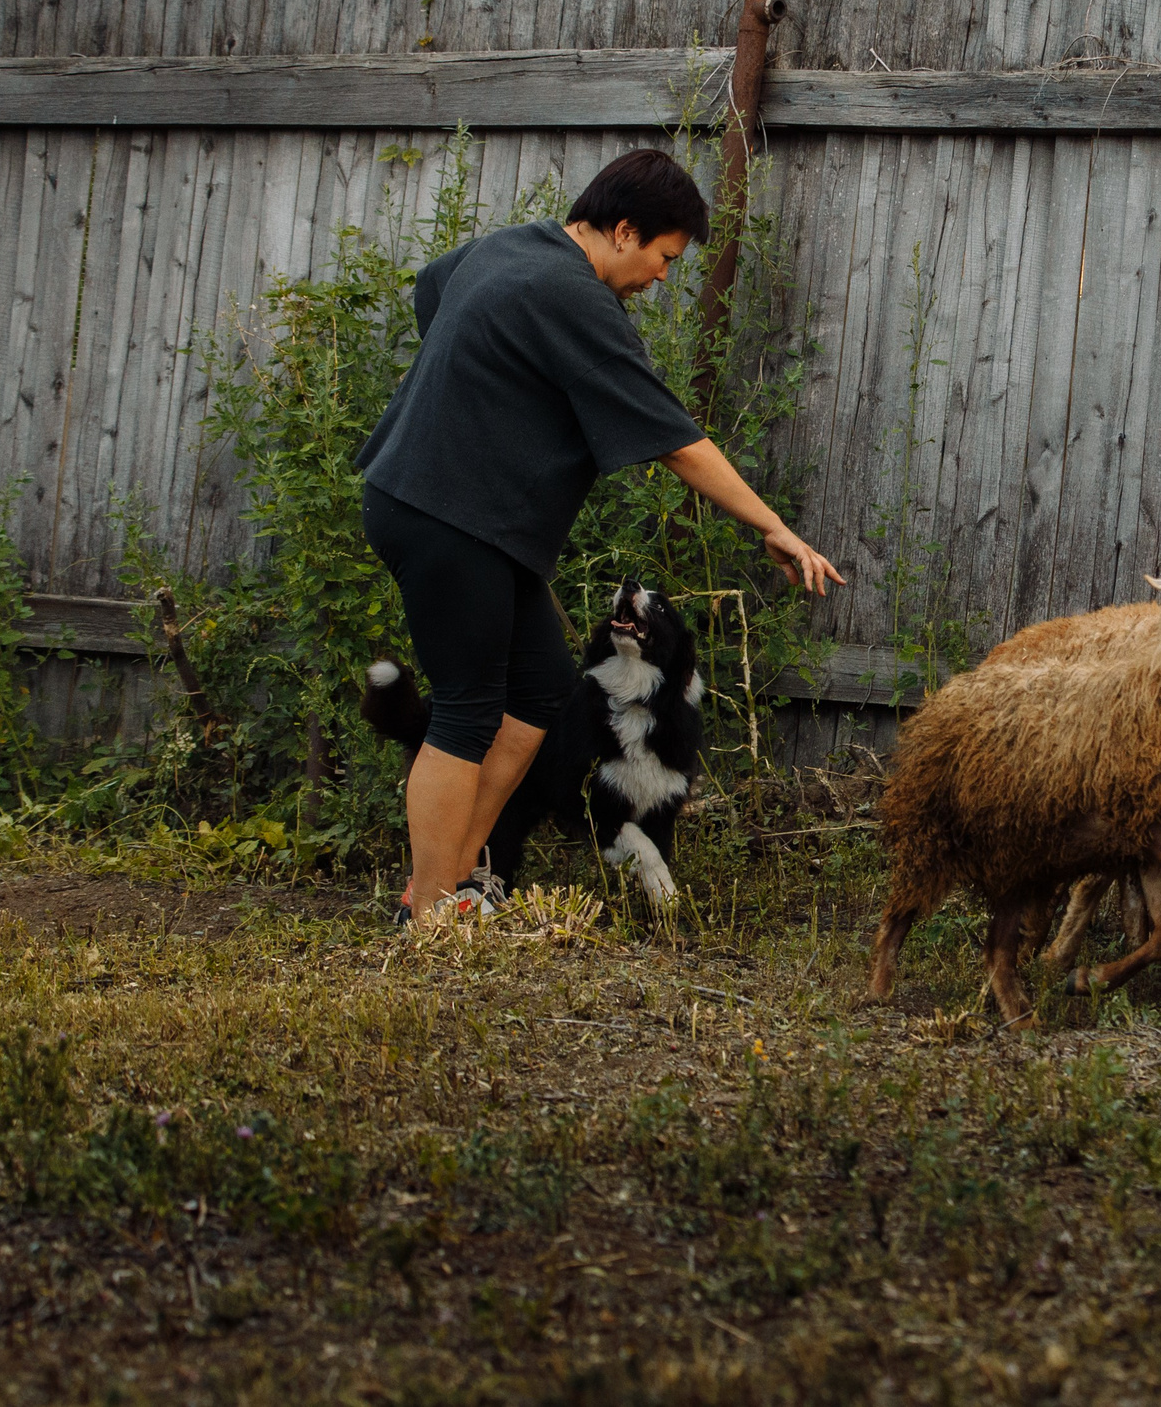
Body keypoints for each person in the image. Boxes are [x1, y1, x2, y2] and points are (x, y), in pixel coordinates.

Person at [355, 148, 843, 923]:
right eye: (663, 257)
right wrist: (774, 527)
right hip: (444, 515)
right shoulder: (577, 299)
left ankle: (451, 883)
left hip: (452, 510)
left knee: (546, 683)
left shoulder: (513, 245)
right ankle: (429, 917)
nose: (663, 276)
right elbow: (677, 441)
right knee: (466, 709)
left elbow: (431, 289)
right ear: (623, 230)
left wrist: (483, 384)